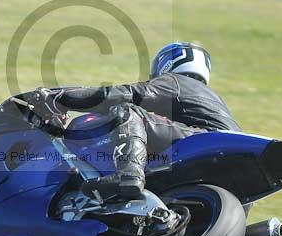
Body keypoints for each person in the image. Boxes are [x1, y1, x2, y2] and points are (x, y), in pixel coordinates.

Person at [27, 42, 240, 201]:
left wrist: (60, 97)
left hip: (204, 139)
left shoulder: (175, 81)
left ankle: (128, 175)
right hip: (227, 182)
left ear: (167, 63)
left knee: (127, 112)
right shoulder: (214, 98)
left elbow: (123, 94)